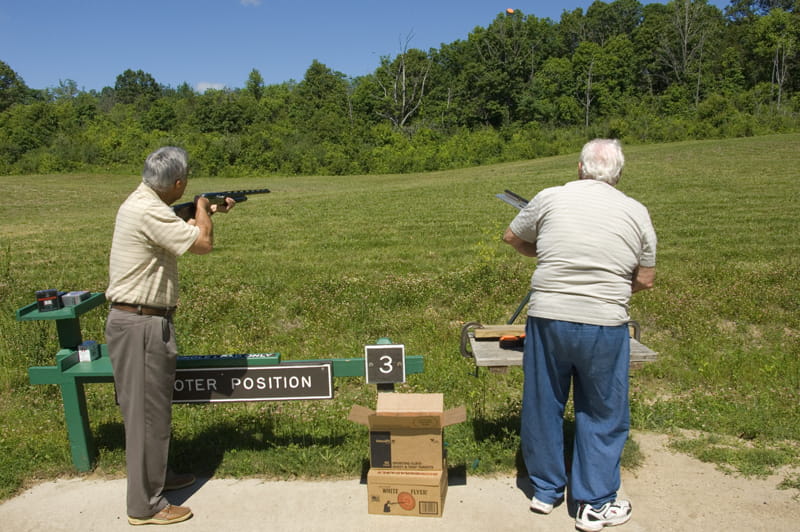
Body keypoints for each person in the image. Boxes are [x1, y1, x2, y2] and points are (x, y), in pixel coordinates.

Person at [503, 139, 656, 532]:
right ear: (618, 174)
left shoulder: (550, 197)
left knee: (543, 402)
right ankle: (595, 502)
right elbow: (645, 279)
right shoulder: (636, 212)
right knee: (603, 410)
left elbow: (513, 238)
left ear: (579, 168)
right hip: (605, 323)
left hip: (549, 316)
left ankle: (545, 489)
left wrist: (553, 256)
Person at [105, 146, 235, 526]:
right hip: (140, 324)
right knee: (146, 417)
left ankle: (156, 479)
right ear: (177, 183)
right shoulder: (146, 210)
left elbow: (181, 226)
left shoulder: (148, 203)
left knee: (155, 414)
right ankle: (145, 506)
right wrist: (201, 211)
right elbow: (202, 244)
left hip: (143, 322)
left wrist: (205, 210)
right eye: (187, 182)